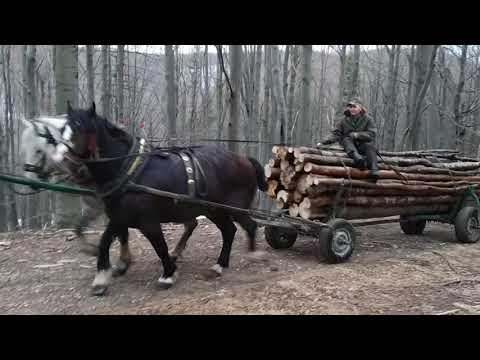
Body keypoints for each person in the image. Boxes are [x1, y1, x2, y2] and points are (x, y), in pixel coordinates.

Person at [319, 98, 380, 180]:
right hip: (350, 146)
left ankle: (374, 170)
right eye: (350, 107)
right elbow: (336, 134)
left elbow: (372, 134)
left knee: (370, 146)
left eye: (354, 107)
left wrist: (357, 135)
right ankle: (359, 160)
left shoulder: (368, 119)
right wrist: (324, 142)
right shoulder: (344, 120)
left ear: (360, 108)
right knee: (346, 140)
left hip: (363, 145)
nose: (352, 109)